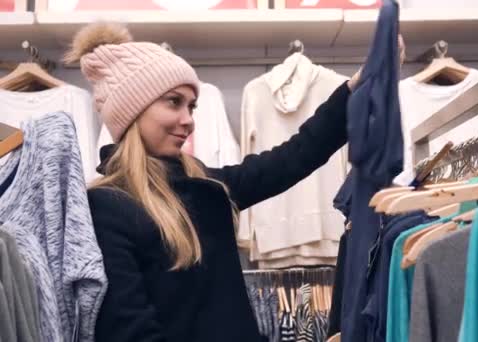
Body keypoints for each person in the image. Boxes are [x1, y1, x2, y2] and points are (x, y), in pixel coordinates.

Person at [63, 22, 367, 342]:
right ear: (132, 111)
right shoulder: (106, 208)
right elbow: (131, 332)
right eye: (173, 102)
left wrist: (354, 91)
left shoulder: (207, 186)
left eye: (191, 106)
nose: (188, 121)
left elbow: (292, 158)